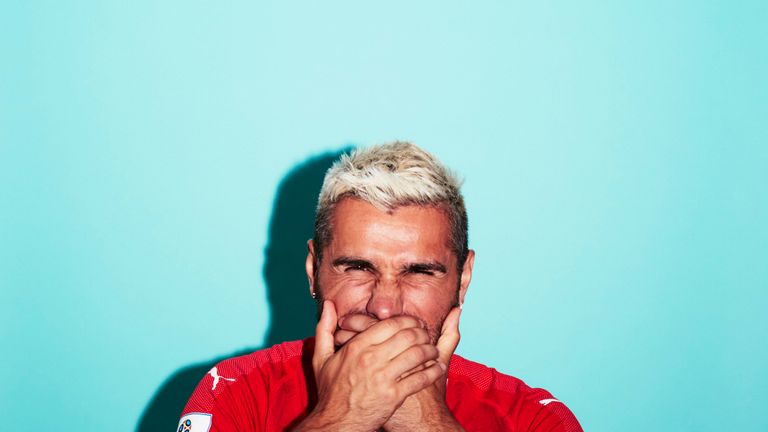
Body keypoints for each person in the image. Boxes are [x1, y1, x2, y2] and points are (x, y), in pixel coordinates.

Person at [177, 142, 583, 431]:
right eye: (357, 267)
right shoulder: (234, 394)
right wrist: (340, 418)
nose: (385, 308)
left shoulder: (534, 419)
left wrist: (426, 423)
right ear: (313, 270)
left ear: (462, 280)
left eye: (419, 272)